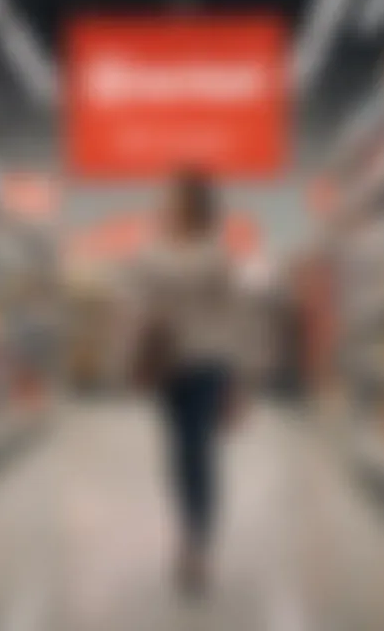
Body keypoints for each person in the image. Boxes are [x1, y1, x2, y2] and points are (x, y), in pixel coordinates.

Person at [130, 169, 246, 595]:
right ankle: (187, 533)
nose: (164, 202)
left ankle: (197, 543)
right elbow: (138, 309)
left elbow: (233, 319)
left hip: (207, 364)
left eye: (172, 196)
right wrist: (137, 355)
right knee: (179, 452)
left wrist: (236, 380)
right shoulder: (150, 253)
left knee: (197, 450)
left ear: (192, 206)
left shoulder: (216, 256)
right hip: (169, 367)